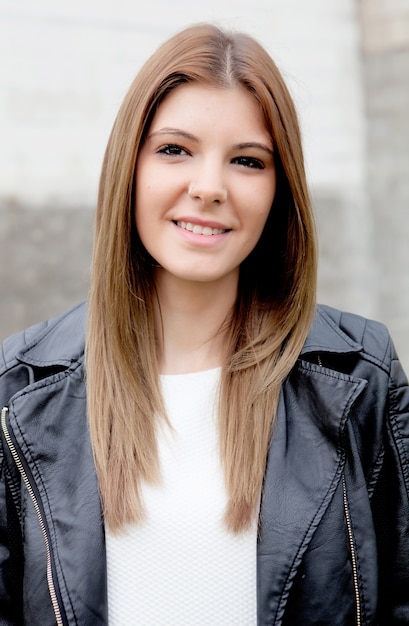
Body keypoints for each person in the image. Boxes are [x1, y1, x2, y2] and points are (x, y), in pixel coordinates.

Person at [0, 22, 408, 626]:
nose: (209, 187)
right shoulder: (24, 387)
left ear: (280, 190)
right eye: (175, 150)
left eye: (247, 160)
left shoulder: (359, 376)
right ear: (128, 167)